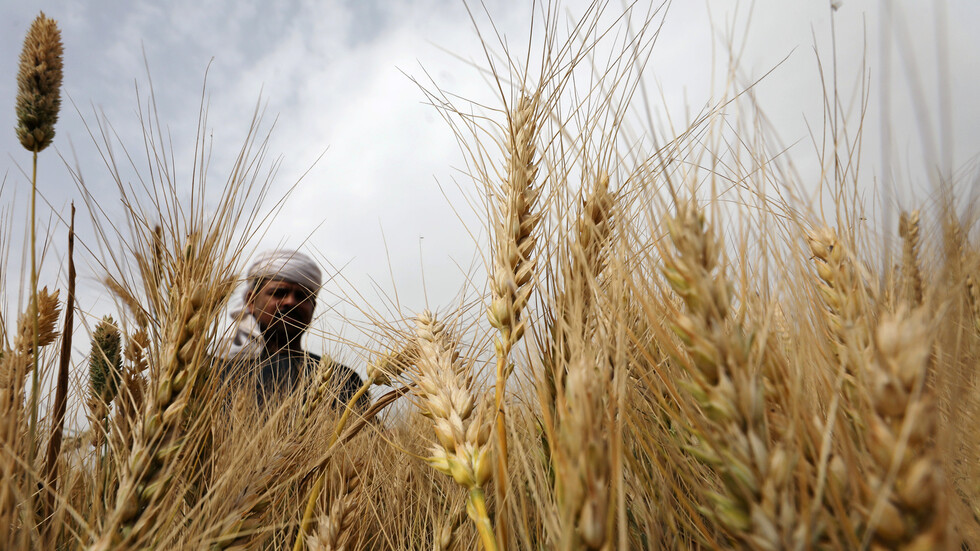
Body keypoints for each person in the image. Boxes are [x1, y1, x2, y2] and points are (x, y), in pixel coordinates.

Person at [219, 249, 364, 409]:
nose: (290, 302)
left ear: (313, 307)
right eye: (278, 293)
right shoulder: (216, 371)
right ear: (251, 301)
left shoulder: (342, 379)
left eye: (302, 296)